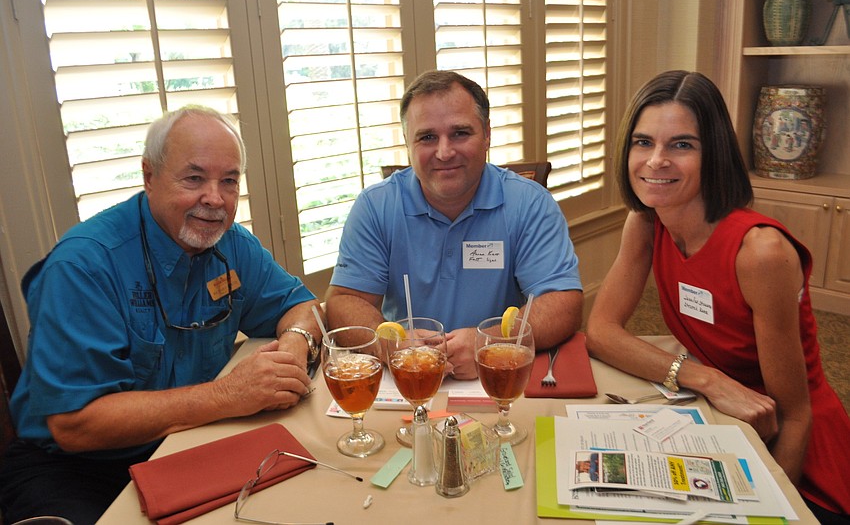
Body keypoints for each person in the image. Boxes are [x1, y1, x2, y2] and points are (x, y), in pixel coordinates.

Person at [0, 107, 324, 524]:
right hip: (76, 468)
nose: (215, 198)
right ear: (149, 176)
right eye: (194, 178)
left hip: (188, 439)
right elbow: (75, 425)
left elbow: (301, 305)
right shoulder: (83, 266)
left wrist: (296, 347)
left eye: (229, 181)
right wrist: (227, 395)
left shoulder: (232, 245)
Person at [586, 70, 850, 523]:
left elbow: (796, 415)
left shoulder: (760, 252)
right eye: (643, 142)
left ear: (715, 154)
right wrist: (705, 379)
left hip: (798, 451)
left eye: (682, 145)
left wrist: (773, 511)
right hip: (719, 412)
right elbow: (600, 331)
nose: (656, 161)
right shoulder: (647, 224)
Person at [325, 70, 583, 379]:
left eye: (460, 133)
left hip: (497, 374)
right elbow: (344, 301)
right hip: (408, 378)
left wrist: (493, 345)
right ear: (408, 142)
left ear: (487, 134)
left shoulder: (530, 203)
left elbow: (563, 303)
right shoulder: (375, 206)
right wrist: (389, 344)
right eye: (427, 137)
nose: (444, 152)